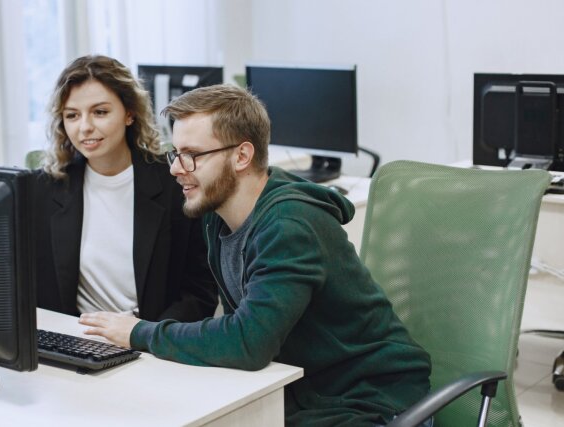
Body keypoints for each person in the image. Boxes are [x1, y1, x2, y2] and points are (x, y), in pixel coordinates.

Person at [79, 84, 432, 426]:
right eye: (175, 153)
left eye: (192, 155)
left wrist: (140, 333)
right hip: (306, 394)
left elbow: (248, 343)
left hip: (375, 401)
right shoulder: (216, 217)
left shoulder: (290, 226)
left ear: (242, 156)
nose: (175, 168)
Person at [31, 55, 217, 323]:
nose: (85, 127)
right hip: (77, 342)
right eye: (72, 115)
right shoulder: (44, 190)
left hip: (152, 343)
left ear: (129, 113)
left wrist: (146, 336)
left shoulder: (175, 183)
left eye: (100, 112)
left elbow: (200, 292)